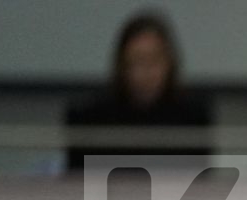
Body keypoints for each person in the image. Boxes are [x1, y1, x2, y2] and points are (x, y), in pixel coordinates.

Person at [66, 11, 210, 171]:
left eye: (154, 60)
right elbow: (77, 183)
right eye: (138, 60)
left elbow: (201, 183)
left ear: (170, 62)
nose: (146, 70)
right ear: (122, 65)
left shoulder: (192, 116)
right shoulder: (91, 116)